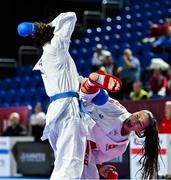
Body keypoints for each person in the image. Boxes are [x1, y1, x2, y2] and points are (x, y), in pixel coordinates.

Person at [17, 12, 122, 180]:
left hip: (57, 110)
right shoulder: (55, 46)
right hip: (67, 109)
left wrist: (94, 82)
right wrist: (40, 27)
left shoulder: (48, 58)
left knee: (67, 162)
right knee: (71, 164)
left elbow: (76, 81)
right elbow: (70, 16)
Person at [79, 71, 160, 180]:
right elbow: (95, 100)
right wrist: (96, 82)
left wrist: (99, 168)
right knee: (100, 98)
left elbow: (93, 158)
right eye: (137, 116)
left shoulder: (119, 147)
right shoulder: (117, 110)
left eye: (139, 123)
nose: (133, 121)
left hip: (81, 143)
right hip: (78, 101)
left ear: (140, 131)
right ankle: (95, 82)